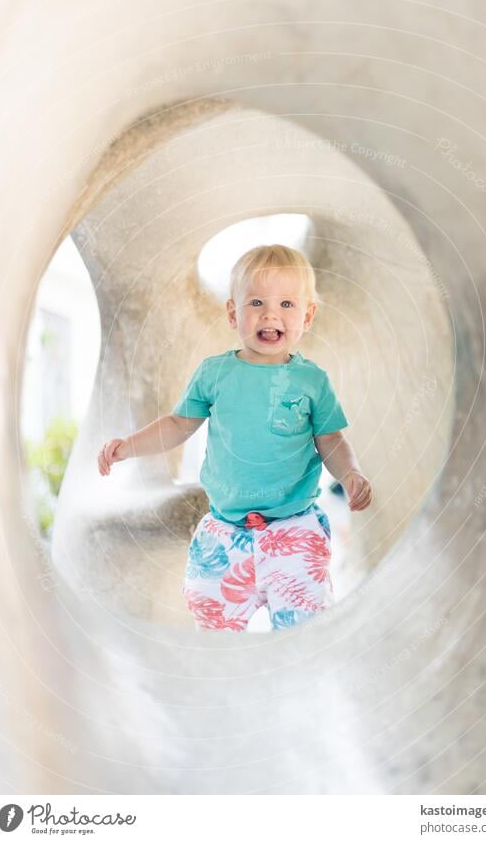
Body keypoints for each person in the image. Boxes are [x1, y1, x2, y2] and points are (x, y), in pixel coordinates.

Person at [98, 244, 372, 631]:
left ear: (308, 316)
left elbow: (331, 440)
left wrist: (351, 474)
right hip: (226, 530)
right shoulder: (214, 374)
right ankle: (221, 683)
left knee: (305, 629)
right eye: (256, 301)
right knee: (212, 625)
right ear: (233, 313)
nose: (271, 313)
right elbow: (178, 424)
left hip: (294, 527)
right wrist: (128, 447)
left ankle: (295, 683)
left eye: (287, 304)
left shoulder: (312, 381)